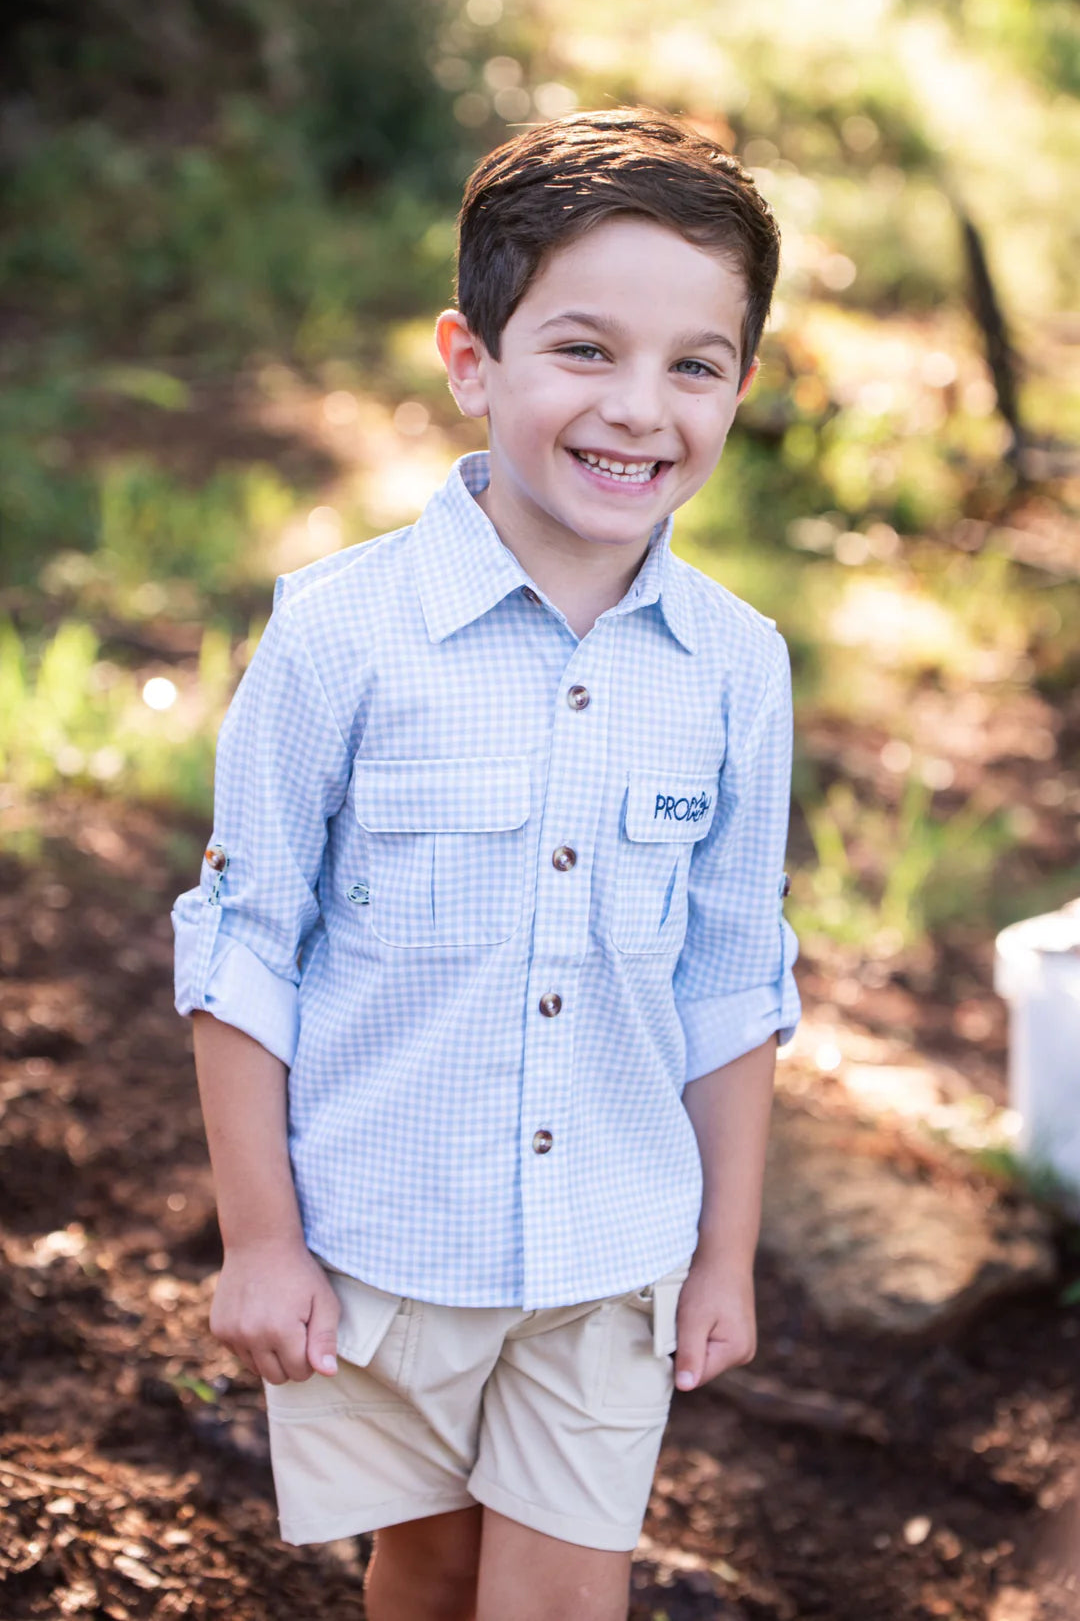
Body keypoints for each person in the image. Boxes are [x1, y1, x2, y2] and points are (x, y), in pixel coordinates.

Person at [172, 107, 801, 1621]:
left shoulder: (737, 666)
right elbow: (246, 936)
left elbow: (733, 969)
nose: (640, 409)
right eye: (585, 351)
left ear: (740, 386)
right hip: (385, 1242)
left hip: (612, 1247)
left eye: (693, 365)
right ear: (472, 363)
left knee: (558, 1598)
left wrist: (726, 1257)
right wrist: (261, 1243)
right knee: (430, 1569)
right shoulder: (339, 634)